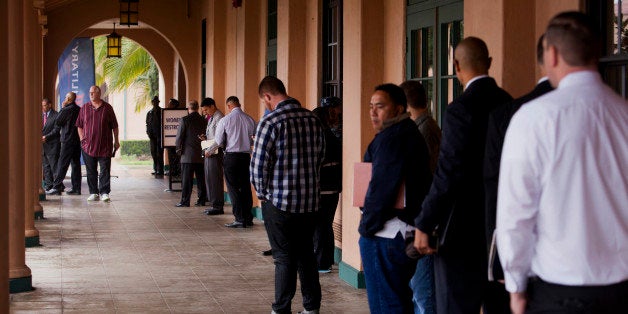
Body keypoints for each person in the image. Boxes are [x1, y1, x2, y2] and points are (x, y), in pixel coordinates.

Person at [497, 11, 628, 314]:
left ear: (552, 54)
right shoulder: (624, 114)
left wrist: (515, 288)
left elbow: (515, 216)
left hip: (561, 293)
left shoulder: (533, 119)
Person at [413, 37, 513, 314]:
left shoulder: (460, 110)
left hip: (460, 230)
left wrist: (424, 222)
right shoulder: (510, 104)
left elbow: (448, 172)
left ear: (456, 66)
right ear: (490, 63)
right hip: (501, 228)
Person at [483, 34, 553, 314]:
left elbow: (498, 192)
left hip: (532, 259)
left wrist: (501, 260)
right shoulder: (617, 112)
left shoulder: (510, 114)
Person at [250, 76, 325, 314]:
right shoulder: (313, 119)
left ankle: (281, 309)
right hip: (310, 202)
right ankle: (312, 308)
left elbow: (258, 166)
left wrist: (263, 195)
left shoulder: (270, 122)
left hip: (279, 202)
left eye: (265, 101)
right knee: (306, 255)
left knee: (283, 258)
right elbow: (321, 156)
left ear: (268, 96)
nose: (266, 105)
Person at [359, 83, 432, 313]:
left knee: (386, 305)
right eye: (371, 106)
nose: (373, 112)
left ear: (399, 108)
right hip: (402, 231)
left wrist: (366, 228)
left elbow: (382, 190)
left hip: (386, 235)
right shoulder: (408, 132)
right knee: (398, 301)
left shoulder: (392, 138)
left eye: (380, 106)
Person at [400, 80, 440, 314]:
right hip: (422, 216)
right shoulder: (425, 127)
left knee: (423, 290)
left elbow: (425, 178)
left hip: (423, 218)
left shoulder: (423, 131)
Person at [311, 96, 342, 274]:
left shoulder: (322, 137)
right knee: (324, 224)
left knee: (321, 225)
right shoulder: (329, 135)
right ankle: (324, 259)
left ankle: (322, 262)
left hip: (324, 187)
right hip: (331, 186)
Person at [214, 96, 256, 228]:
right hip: (245, 158)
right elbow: (254, 139)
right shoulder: (250, 119)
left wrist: (208, 151)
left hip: (231, 158)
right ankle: (248, 218)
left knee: (233, 189)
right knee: (245, 187)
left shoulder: (225, 120)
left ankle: (239, 218)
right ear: (239, 104)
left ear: (228, 106)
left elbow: (219, 141)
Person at [76, 85, 120, 202]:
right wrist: (81, 139)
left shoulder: (107, 108)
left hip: (104, 146)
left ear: (99, 94)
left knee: (105, 170)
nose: (91, 94)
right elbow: (79, 125)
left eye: (93, 92)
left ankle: (104, 192)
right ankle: (94, 192)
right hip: (88, 146)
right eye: (90, 92)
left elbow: (115, 126)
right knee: (91, 171)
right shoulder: (84, 108)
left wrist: (116, 141)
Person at [46, 92, 82, 196]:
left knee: (62, 163)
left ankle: (56, 187)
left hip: (67, 140)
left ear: (69, 99)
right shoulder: (79, 109)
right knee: (76, 164)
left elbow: (58, 121)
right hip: (76, 140)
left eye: (66, 97)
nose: (64, 99)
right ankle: (76, 188)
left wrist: (63, 107)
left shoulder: (66, 109)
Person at [174, 100, 207, 207]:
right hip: (201, 155)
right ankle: (201, 200)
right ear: (197, 108)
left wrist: (178, 150)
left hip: (187, 155)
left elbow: (179, 137)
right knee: (201, 179)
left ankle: (185, 201)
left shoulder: (185, 120)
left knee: (187, 180)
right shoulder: (203, 120)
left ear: (188, 108)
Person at [199, 97, 225, 215]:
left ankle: (218, 206)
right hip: (210, 152)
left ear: (212, 106)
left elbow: (219, 139)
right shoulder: (211, 118)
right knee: (209, 179)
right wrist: (205, 138)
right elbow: (212, 136)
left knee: (215, 179)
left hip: (215, 153)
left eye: (206, 110)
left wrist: (209, 150)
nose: (205, 112)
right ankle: (213, 204)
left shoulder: (219, 118)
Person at [41, 98, 61, 193]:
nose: (43, 107)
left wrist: (46, 137)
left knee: (54, 167)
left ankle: (57, 186)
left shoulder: (56, 115)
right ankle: (49, 186)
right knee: (46, 167)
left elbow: (56, 130)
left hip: (52, 145)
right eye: (42, 105)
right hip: (43, 146)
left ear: (50, 105)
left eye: (44, 105)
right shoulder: (40, 115)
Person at [146, 96, 164, 176]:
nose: (155, 103)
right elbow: (147, 123)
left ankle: (160, 170)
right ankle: (156, 169)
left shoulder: (162, 112)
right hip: (152, 136)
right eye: (153, 102)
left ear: (158, 102)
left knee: (159, 153)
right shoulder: (149, 113)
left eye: (156, 101)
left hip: (160, 136)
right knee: (153, 153)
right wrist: (148, 132)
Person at [165, 98, 181, 177]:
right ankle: (172, 170)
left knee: (176, 156)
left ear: (174, 105)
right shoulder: (167, 113)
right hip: (169, 139)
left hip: (176, 139)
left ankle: (176, 171)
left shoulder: (178, 114)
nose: (168, 105)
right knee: (171, 156)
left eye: (170, 104)